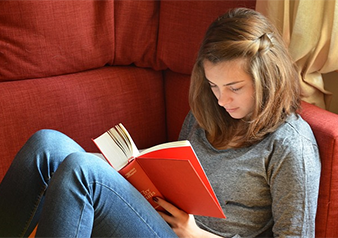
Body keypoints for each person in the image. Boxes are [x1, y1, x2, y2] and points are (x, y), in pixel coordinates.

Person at [0, 8, 320, 238]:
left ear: (267, 78)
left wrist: (194, 233)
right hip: (156, 222)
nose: (222, 100)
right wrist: (129, 173)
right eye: (213, 86)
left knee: (82, 173)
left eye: (234, 88)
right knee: (47, 145)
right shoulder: (206, 114)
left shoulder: (291, 145)